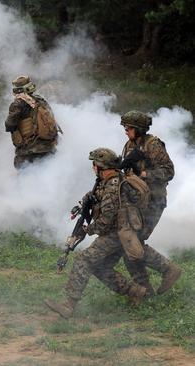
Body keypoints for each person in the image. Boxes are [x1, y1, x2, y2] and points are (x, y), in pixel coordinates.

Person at [44, 148, 147, 318]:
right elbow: (98, 200)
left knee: (84, 260)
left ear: (102, 167)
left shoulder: (113, 185)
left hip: (117, 234)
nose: (93, 168)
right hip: (117, 233)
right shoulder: (105, 181)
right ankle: (135, 292)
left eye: (95, 164)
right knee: (100, 267)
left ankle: (68, 306)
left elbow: (106, 220)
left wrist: (87, 230)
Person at [119, 111, 181, 295]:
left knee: (132, 243)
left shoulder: (152, 145)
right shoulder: (130, 145)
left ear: (138, 129)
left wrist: (146, 174)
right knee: (130, 244)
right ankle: (145, 291)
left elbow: (168, 171)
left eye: (128, 128)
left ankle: (168, 270)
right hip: (137, 200)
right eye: (125, 127)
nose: (125, 131)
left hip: (154, 199)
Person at [4, 75, 60, 169]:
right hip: (48, 148)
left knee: (25, 180)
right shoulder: (41, 101)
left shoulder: (18, 104)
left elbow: (9, 125)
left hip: (29, 151)